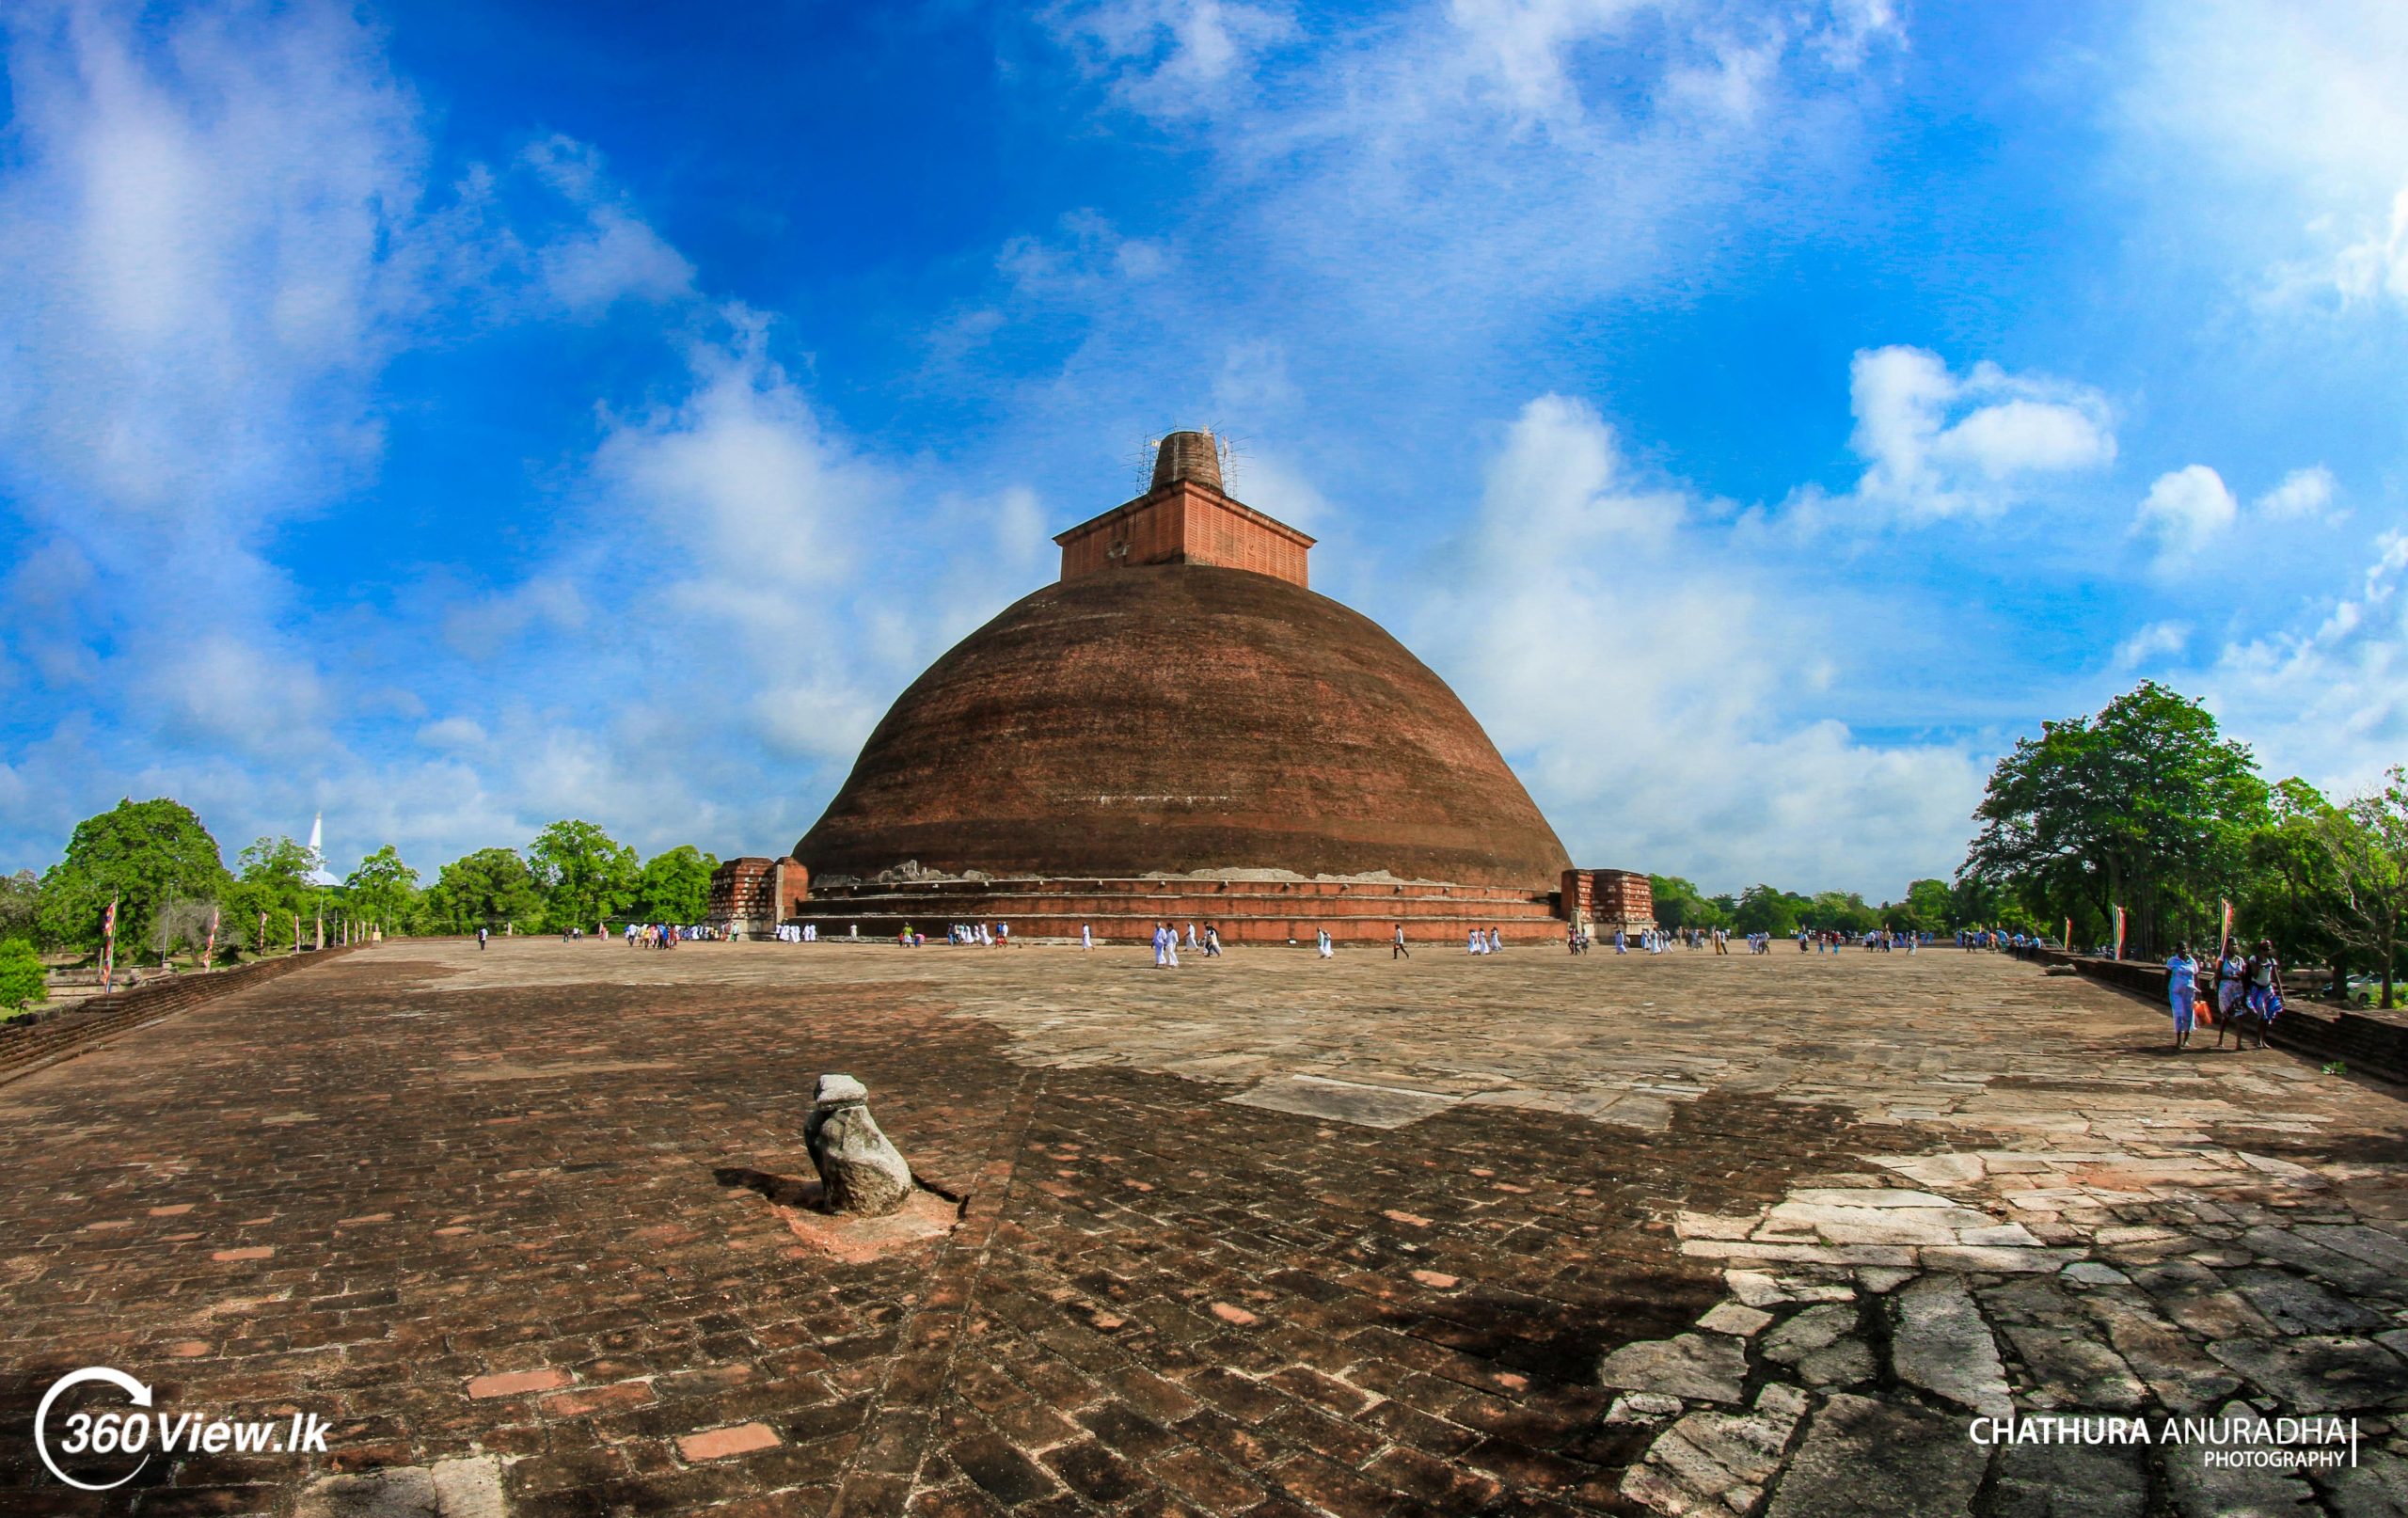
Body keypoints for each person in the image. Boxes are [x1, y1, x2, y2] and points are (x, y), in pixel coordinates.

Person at [2165, 941, 2199, 1050]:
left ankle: (2186, 1039)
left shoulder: (2192, 961)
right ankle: (2178, 1039)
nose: (2183, 950)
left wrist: (2198, 990)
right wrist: (2163, 990)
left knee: (2188, 1015)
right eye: (2181, 949)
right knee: (2178, 1013)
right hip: (2176, 992)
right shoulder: (2172, 961)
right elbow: (2167, 976)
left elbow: (2196, 976)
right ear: (2177, 950)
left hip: (2189, 992)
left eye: (2185, 948)